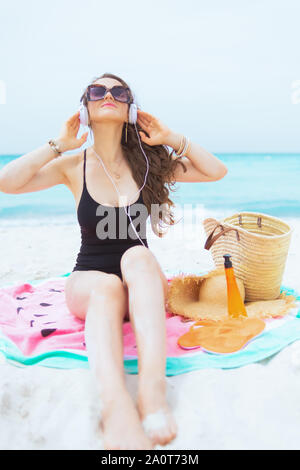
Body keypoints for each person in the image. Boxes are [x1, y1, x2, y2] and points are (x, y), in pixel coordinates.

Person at [0, 72, 228, 450]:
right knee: (106, 286)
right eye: (97, 90)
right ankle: (116, 408)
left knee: (138, 254)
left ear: (130, 109)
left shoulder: (147, 163)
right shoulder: (72, 165)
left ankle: (152, 394)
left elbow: (216, 171)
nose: (108, 95)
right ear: (85, 108)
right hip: (90, 284)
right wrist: (58, 143)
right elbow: (7, 181)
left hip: (141, 282)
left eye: (119, 91)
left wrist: (171, 138)